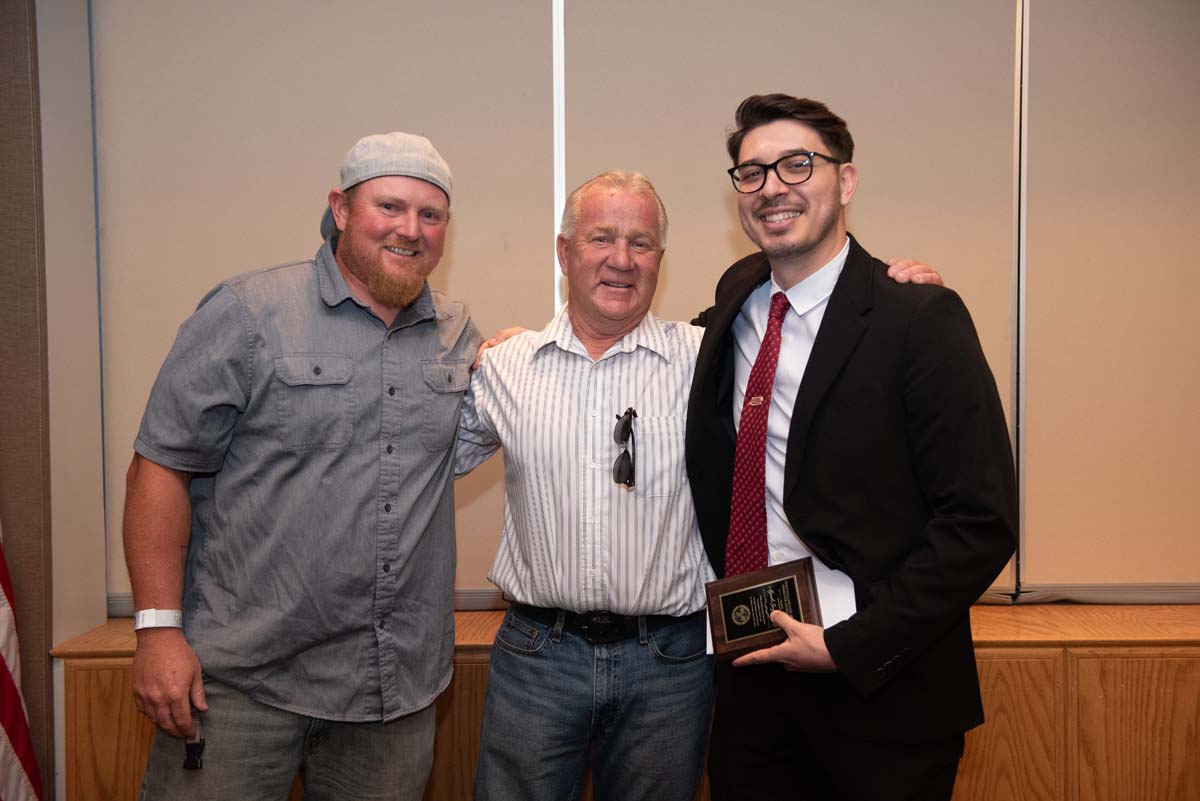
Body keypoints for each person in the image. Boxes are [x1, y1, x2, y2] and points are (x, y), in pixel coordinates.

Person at [456, 169, 944, 801]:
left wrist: (899, 296)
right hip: (537, 657)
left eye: (642, 243)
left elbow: (825, 343)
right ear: (564, 251)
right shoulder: (505, 366)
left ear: (661, 259)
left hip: (672, 662)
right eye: (601, 238)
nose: (622, 260)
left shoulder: (712, 355)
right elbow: (418, 462)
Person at [123, 131, 480, 800]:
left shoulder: (458, 336)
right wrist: (156, 630)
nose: (411, 229)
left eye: (430, 215)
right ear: (340, 209)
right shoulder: (248, 312)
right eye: (391, 207)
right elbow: (159, 468)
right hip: (240, 687)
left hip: (390, 697)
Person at [685, 94, 1018, 801]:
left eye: (796, 164)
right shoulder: (736, 301)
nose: (772, 185)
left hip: (885, 696)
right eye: (751, 172)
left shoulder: (919, 318)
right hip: (753, 681)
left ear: (847, 180)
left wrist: (849, 645)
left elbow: (980, 523)